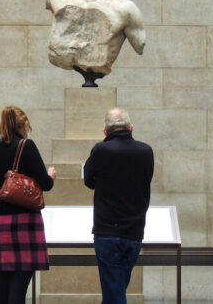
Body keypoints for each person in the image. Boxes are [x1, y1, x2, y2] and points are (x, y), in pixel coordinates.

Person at [0, 105, 57, 304]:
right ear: (23, 125)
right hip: (24, 220)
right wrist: (50, 175)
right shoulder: (27, 146)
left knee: (2, 282)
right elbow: (46, 184)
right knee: (20, 284)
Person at [83, 108, 154, 304]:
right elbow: (146, 180)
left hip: (107, 231)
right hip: (134, 231)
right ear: (131, 128)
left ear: (105, 132)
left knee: (114, 290)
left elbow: (88, 180)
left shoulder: (101, 150)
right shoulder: (146, 151)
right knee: (117, 287)